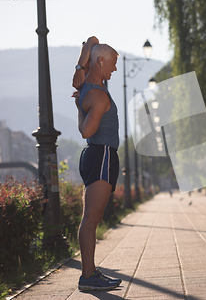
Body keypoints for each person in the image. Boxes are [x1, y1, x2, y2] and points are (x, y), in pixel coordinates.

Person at [72, 36, 122, 291]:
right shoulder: (99, 96)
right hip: (102, 155)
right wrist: (80, 108)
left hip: (97, 154)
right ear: (100, 61)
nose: (114, 69)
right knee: (91, 218)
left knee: (92, 216)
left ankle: (90, 273)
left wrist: (80, 68)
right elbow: (86, 131)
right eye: (112, 64)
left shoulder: (90, 90)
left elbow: (91, 40)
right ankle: (88, 277)